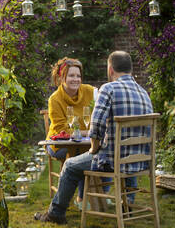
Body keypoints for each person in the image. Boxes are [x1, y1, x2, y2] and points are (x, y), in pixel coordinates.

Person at [35, 51, 153, 224]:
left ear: (111, 69)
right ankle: (128, 205)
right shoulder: (144, 93)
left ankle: (56, 214)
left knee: (70, 165)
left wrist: (94, 148)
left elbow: (96, 126)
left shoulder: (108, 89)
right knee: (106, 157)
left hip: (112, 160)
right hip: (140, 160)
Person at [45, 57, 97, 209]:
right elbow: (63, 130)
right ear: (62, 78)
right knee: (81, 155)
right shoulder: (55, 99)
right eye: (71, 76)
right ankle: (81, 198)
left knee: (88, 153)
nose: (76, 79)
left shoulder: (89, 92)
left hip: (85, 142)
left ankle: (85, 197)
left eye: (78, 76)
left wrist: (87, 132)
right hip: (59, 144)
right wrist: (87, 131)